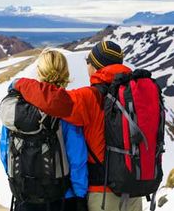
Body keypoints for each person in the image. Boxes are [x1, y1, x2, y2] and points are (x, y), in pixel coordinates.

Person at [11, 41, 143, 211]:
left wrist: (20, 84)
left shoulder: (90, 97)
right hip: (134, 190)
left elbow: (54, 100)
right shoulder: (135, 95)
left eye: (88, 62)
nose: (87, 66)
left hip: (102, 194)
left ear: (96, 66)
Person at [0, 49, 88, 211]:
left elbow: (5, 152)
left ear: (39, 72)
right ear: (65, 73)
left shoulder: (16, 109)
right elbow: (77, 160)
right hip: (61, 197)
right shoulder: (66, 109)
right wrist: (80, 196)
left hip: (24, 196)